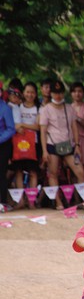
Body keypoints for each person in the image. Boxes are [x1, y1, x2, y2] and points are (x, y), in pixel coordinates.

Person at [40, 80, 84, 209]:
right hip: (52, 144)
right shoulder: (46, 109)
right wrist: (44, 150)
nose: (58, 96)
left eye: (60, 93)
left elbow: (74, 127)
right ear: (51, 94)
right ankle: (58, 202)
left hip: (69, 145)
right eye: (55, 93)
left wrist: (77, 145)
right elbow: (43, 131)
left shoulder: (69, 108)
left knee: (80, 172)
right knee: (53, 173)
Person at [14, 82, 40, 205]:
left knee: (33, 172)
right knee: (18, 171)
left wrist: (23, 125)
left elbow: (38, 126)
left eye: (32, 92)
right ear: (23, 93)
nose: (30, 95)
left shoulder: (39, 108)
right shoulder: (17, 107)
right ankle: (20, 201)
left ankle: (31, 201)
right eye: (27, 92)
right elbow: (15, 126)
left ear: (35, 94)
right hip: (19, 145)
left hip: (34, 144)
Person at [0, 81, 16, 210]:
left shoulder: (5, 108)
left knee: (1, 174)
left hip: (2, 146)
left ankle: (2, 202)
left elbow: (11, 129)